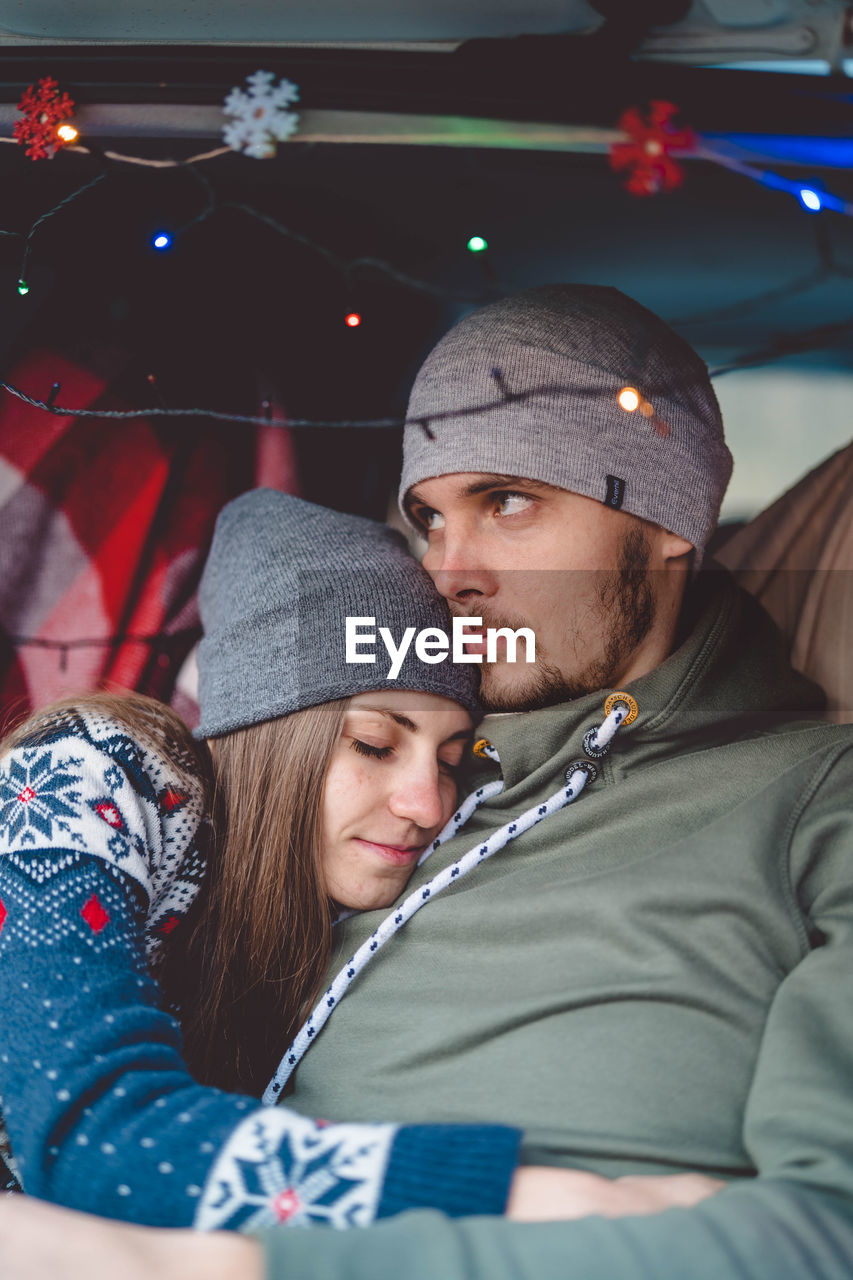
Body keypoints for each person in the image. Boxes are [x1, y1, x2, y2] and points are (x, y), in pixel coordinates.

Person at [4, 283, 852, 1279]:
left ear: (672, 513)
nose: (451, 570)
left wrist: (235, 1264)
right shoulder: (314, 771)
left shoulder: (811, 796)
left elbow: (824, 1225)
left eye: (507, 502)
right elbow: (91, 1113)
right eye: (429, 519)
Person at [0, 490, 527, 1228]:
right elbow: (87, 1139)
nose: (428, 805)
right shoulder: (84, 775)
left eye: (448, 759)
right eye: (374, 744)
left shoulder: (336, 902)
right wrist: (509, 1194)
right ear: (268, 730)